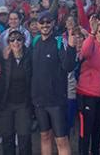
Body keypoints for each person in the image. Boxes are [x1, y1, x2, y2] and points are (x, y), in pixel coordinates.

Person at [32, 11, 76, 155]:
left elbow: (68, 66)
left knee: (61, 139)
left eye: (48, 22)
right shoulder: (35, 41)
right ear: (37, 24)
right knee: (44, 136)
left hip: (56, 100)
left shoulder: (59, 41)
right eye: (42, 22)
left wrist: (71, 45)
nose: (45, 25)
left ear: (53, 23)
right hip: (39, 100)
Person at [76, 20, 100, 155]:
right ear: (96, 33)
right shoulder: (91, 44)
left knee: (97, 130)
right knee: (85, 132)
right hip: (86, 95)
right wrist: (91, 34)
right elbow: (84, 53)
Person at [0, 30, 32, 155]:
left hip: (23, 103)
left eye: (19, 39)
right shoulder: (3, 59)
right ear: (8, 43)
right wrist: (4, 60)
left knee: (24, 138)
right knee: (7, 138)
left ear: (23, 41)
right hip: (6, 103)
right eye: (12, 40)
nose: (15, 42)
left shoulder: (30, 56)